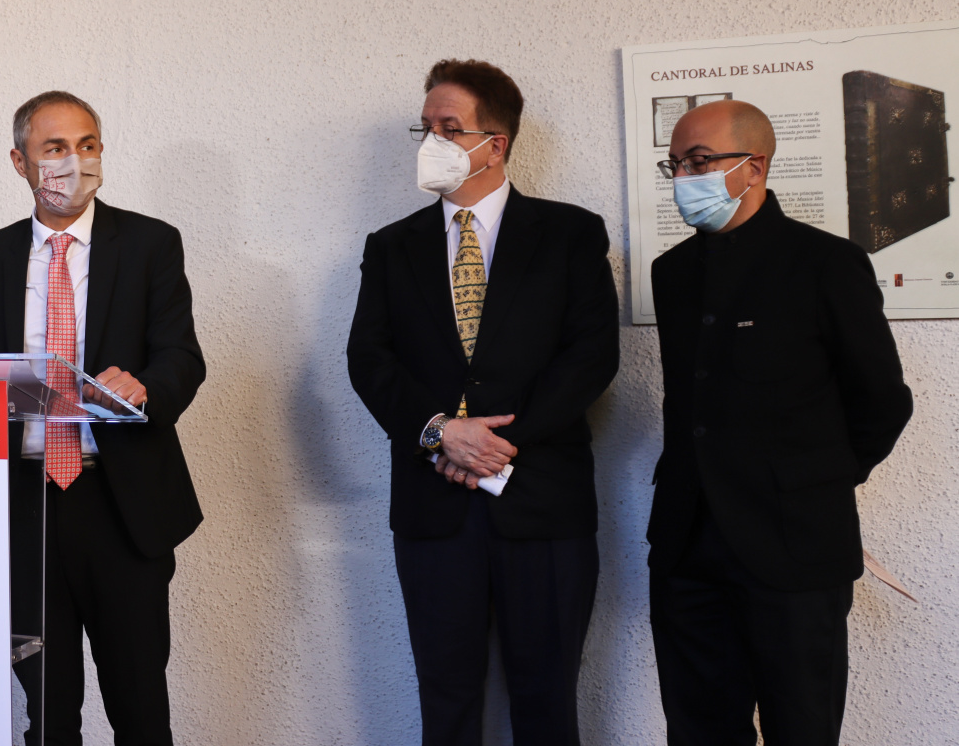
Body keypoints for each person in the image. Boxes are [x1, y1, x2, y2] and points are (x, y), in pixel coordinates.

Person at [346, 59, 619, 746]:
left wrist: (495, 443)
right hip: (432, 511)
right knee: (446, 700)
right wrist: (441, 431)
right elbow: (368, 360)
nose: (430, 142)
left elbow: (591, 357)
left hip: (543, 506)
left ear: (494, 144)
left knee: (546, 699)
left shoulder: (570, 234)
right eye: (426, 127)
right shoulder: (391, 247)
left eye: (449, 128)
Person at [647, 99, 912, 746]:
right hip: (687, 545)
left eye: (700, 160)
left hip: (795, 549)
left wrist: (810, 483)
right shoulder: (672, 273)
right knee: (698, 729)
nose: (685, 176)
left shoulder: (826, 263)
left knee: (803, 730)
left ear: (753, 165)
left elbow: (882, 401)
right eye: (676, 162)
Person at [0, 91, 206, 746]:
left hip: (121, 505)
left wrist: (146, 385)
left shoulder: (151, 243)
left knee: (140, 706)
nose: (75, 161)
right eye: (55, 148)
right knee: (47, 712)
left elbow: (182, 355)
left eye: (87, 145)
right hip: (25, 509)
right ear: (20, 161)